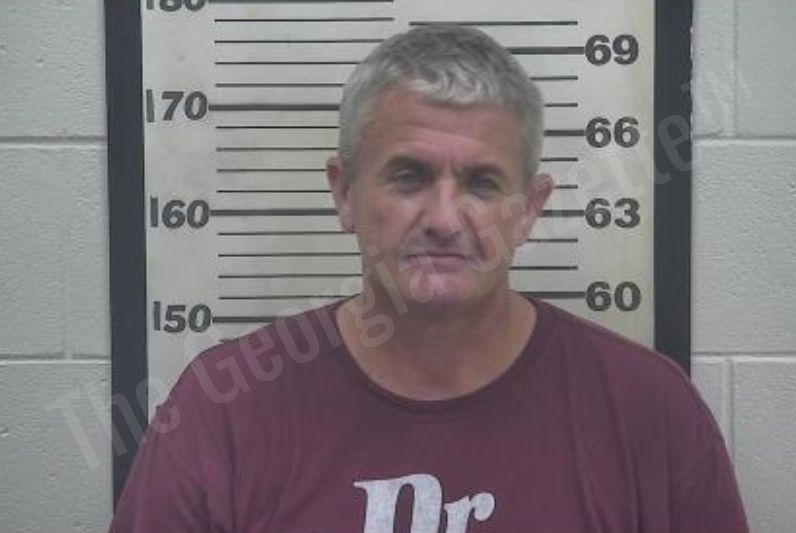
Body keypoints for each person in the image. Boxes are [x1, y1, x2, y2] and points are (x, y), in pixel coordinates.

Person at [109, 25, 750, 532]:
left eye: (482, 183)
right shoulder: (222, 412)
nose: (444, 219)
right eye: (408, 177)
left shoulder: (651, 414)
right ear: (344, 192)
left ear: (530, 209)